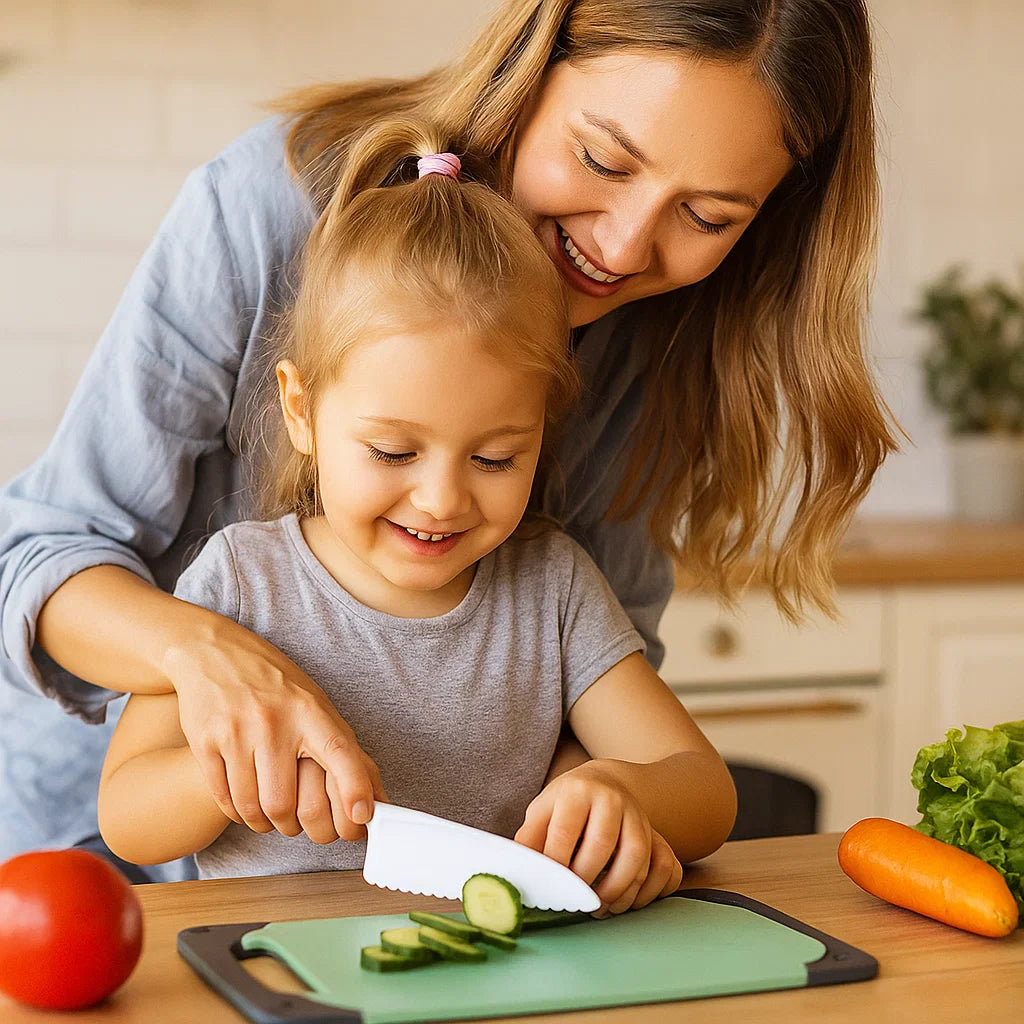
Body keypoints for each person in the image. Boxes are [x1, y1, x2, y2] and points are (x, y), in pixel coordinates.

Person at [0, 0, 896, 881]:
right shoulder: (266, 211)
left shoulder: (652, 374)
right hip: (84, 857)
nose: (624, 248)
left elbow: (620, 721)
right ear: (531, 68)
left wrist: (602, 805)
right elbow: (41, 551)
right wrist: (210, 663)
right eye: (601, 159)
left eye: (707, 217)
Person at [96, 129, 734, 914]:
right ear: (301, 411)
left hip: (489, 969)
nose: (440, 500)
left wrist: (623, 789)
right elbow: (125, 817)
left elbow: (705, 788)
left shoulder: (552, 586)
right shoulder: (239, 582)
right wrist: (223, 776)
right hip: (272, 972)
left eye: (496, 458)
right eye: (393, 451)